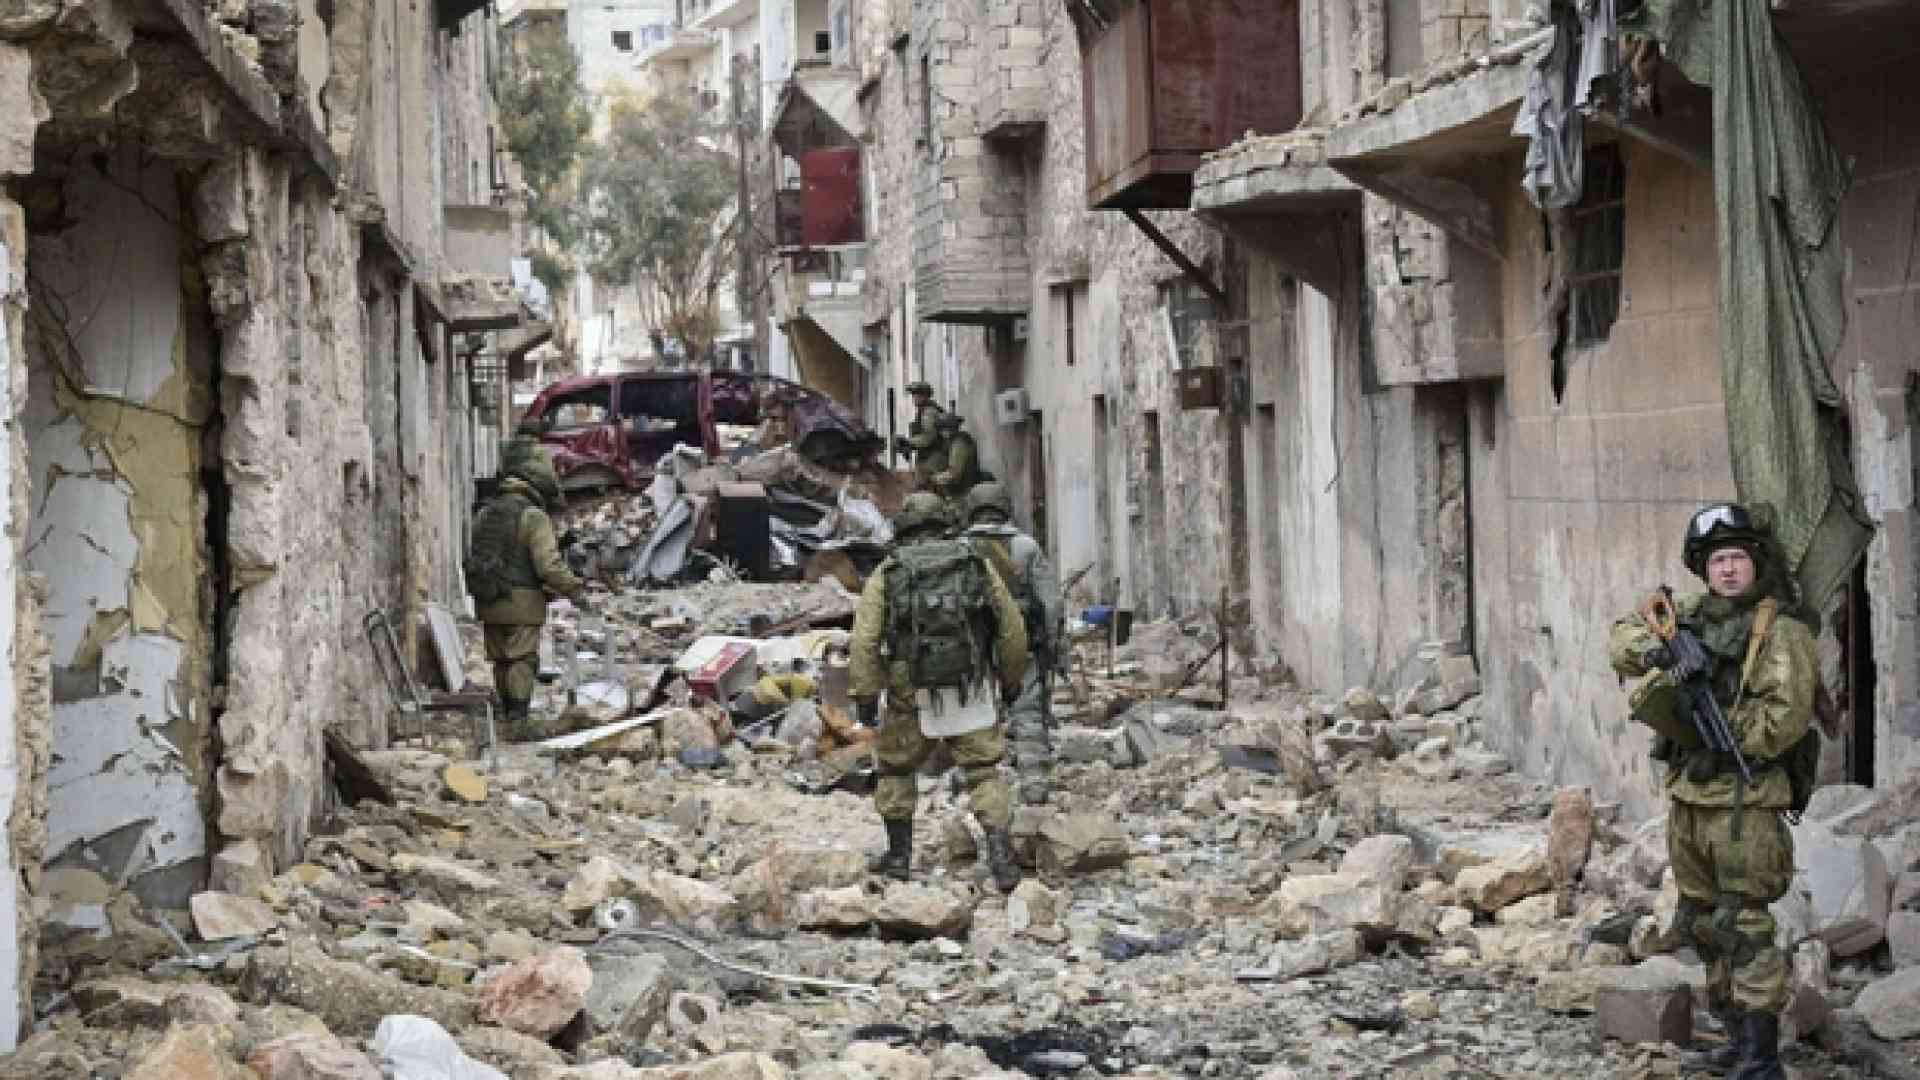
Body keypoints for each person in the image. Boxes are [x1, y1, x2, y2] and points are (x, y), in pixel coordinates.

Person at [1609, 503, 1816, 1080]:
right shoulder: (1688, 615)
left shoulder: (1783, 632)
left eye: (1737, 559)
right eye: (1718, 560)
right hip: (1691, 796)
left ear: (1755, 564)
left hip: (1745, 802)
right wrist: (1658, 653)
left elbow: (1785, 721)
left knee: (1745, 925)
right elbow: (1622, 637)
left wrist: (1715, 725)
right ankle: (1734, 1039)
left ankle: (1762, 1058)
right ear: (1704, 568)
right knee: (1702, 920)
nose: (1728, 570)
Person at [850, 493, 1029, 890]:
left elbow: (864, 640)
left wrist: (865, 696)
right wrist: (1010, 679)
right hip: (970, 683)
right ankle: (1002, 858)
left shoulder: (888, 572)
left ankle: (898, 858)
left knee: (896, 769)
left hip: (909, 689)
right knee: (983, 771)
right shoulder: (975, 564)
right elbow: (1011, 628)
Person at [466, 455, 587, 741]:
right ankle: (518, 721)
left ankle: (507, 714)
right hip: (521, 602)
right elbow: (549, 566)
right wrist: (574, 589)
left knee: (501, 660)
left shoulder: (485, 513)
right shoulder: (532, 516)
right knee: (522, 660)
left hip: (487, 599)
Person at [962, 482, 1061, 805]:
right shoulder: (1026, 546)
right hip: (1021, 638)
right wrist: (1051, 642)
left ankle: (981, 788)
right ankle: (1034, 785)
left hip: (974, 641)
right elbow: (1050, 602)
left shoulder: (960, 548)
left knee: (976, 712)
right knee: (1028, 710)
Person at [900, 381, 949, 492]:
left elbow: (928, 437)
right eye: (913, 395)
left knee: (925, 488)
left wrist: (909, 442)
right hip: (927, 456)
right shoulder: (922, 411)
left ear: (925, 396)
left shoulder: (929, 412)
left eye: (917, 395)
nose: (914, 398)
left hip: (934, 457)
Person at [930, 411, 980, 498]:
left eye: (943, 428)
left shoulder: (959, 443)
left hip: (962, 494)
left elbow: (954, 474)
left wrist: (935, 478)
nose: (941, 432)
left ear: (951, 428)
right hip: (962, 490)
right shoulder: (956, 441)